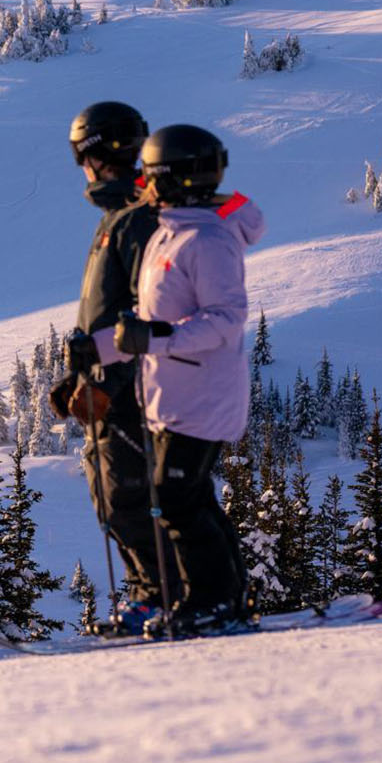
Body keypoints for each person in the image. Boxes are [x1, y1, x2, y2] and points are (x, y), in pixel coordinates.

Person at [92, 123, 265, 635]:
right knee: (189, 499)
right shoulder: (170, 231)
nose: (141, 180)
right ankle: (223, 599)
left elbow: (225, 319)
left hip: (204, 397)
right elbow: (143, 324)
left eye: (149, 172)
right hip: (173, 395)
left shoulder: (207, 239)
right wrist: (93, 350)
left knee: (176, 499)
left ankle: (214, 601)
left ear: (168, 177)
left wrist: (156, 338)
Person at [55, 101, 164, 632]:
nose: (82, 169)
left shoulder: (138, 220)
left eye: (83, 158)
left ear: (98, 157)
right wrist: (75, 381)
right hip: (109, 380)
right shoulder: (119, 219)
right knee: (112, 496)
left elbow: (145, 312)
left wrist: (107, 381)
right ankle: (151, 595)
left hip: (134, 388)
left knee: (130, 495)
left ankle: (162, 595)